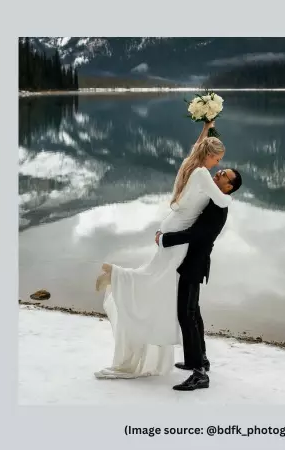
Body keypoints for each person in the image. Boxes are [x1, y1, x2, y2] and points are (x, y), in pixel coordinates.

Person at [94, 121, 232, 379]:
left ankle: (117, 276)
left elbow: (195, 148)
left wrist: (207, 128)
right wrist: (230, 192)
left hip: (169, 226)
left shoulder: (190, 165)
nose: (218, 166)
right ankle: (117, 277)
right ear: (209, 155)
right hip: (175, 236)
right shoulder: (202, 174)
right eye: (218, 160)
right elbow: (222, 199)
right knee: (157, 280)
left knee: (156, 274)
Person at [156, 168, 242, 391]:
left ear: (229, 187)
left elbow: (197, 235)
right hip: (195, 261)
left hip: (195, 263)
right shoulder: (216, 201)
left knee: (186, 315)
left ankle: (199, 373)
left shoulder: (219, 206)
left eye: (224, 175)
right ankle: (200, 360)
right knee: (193, 312)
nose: (219, 173)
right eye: (221, 170)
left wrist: (166, 239)